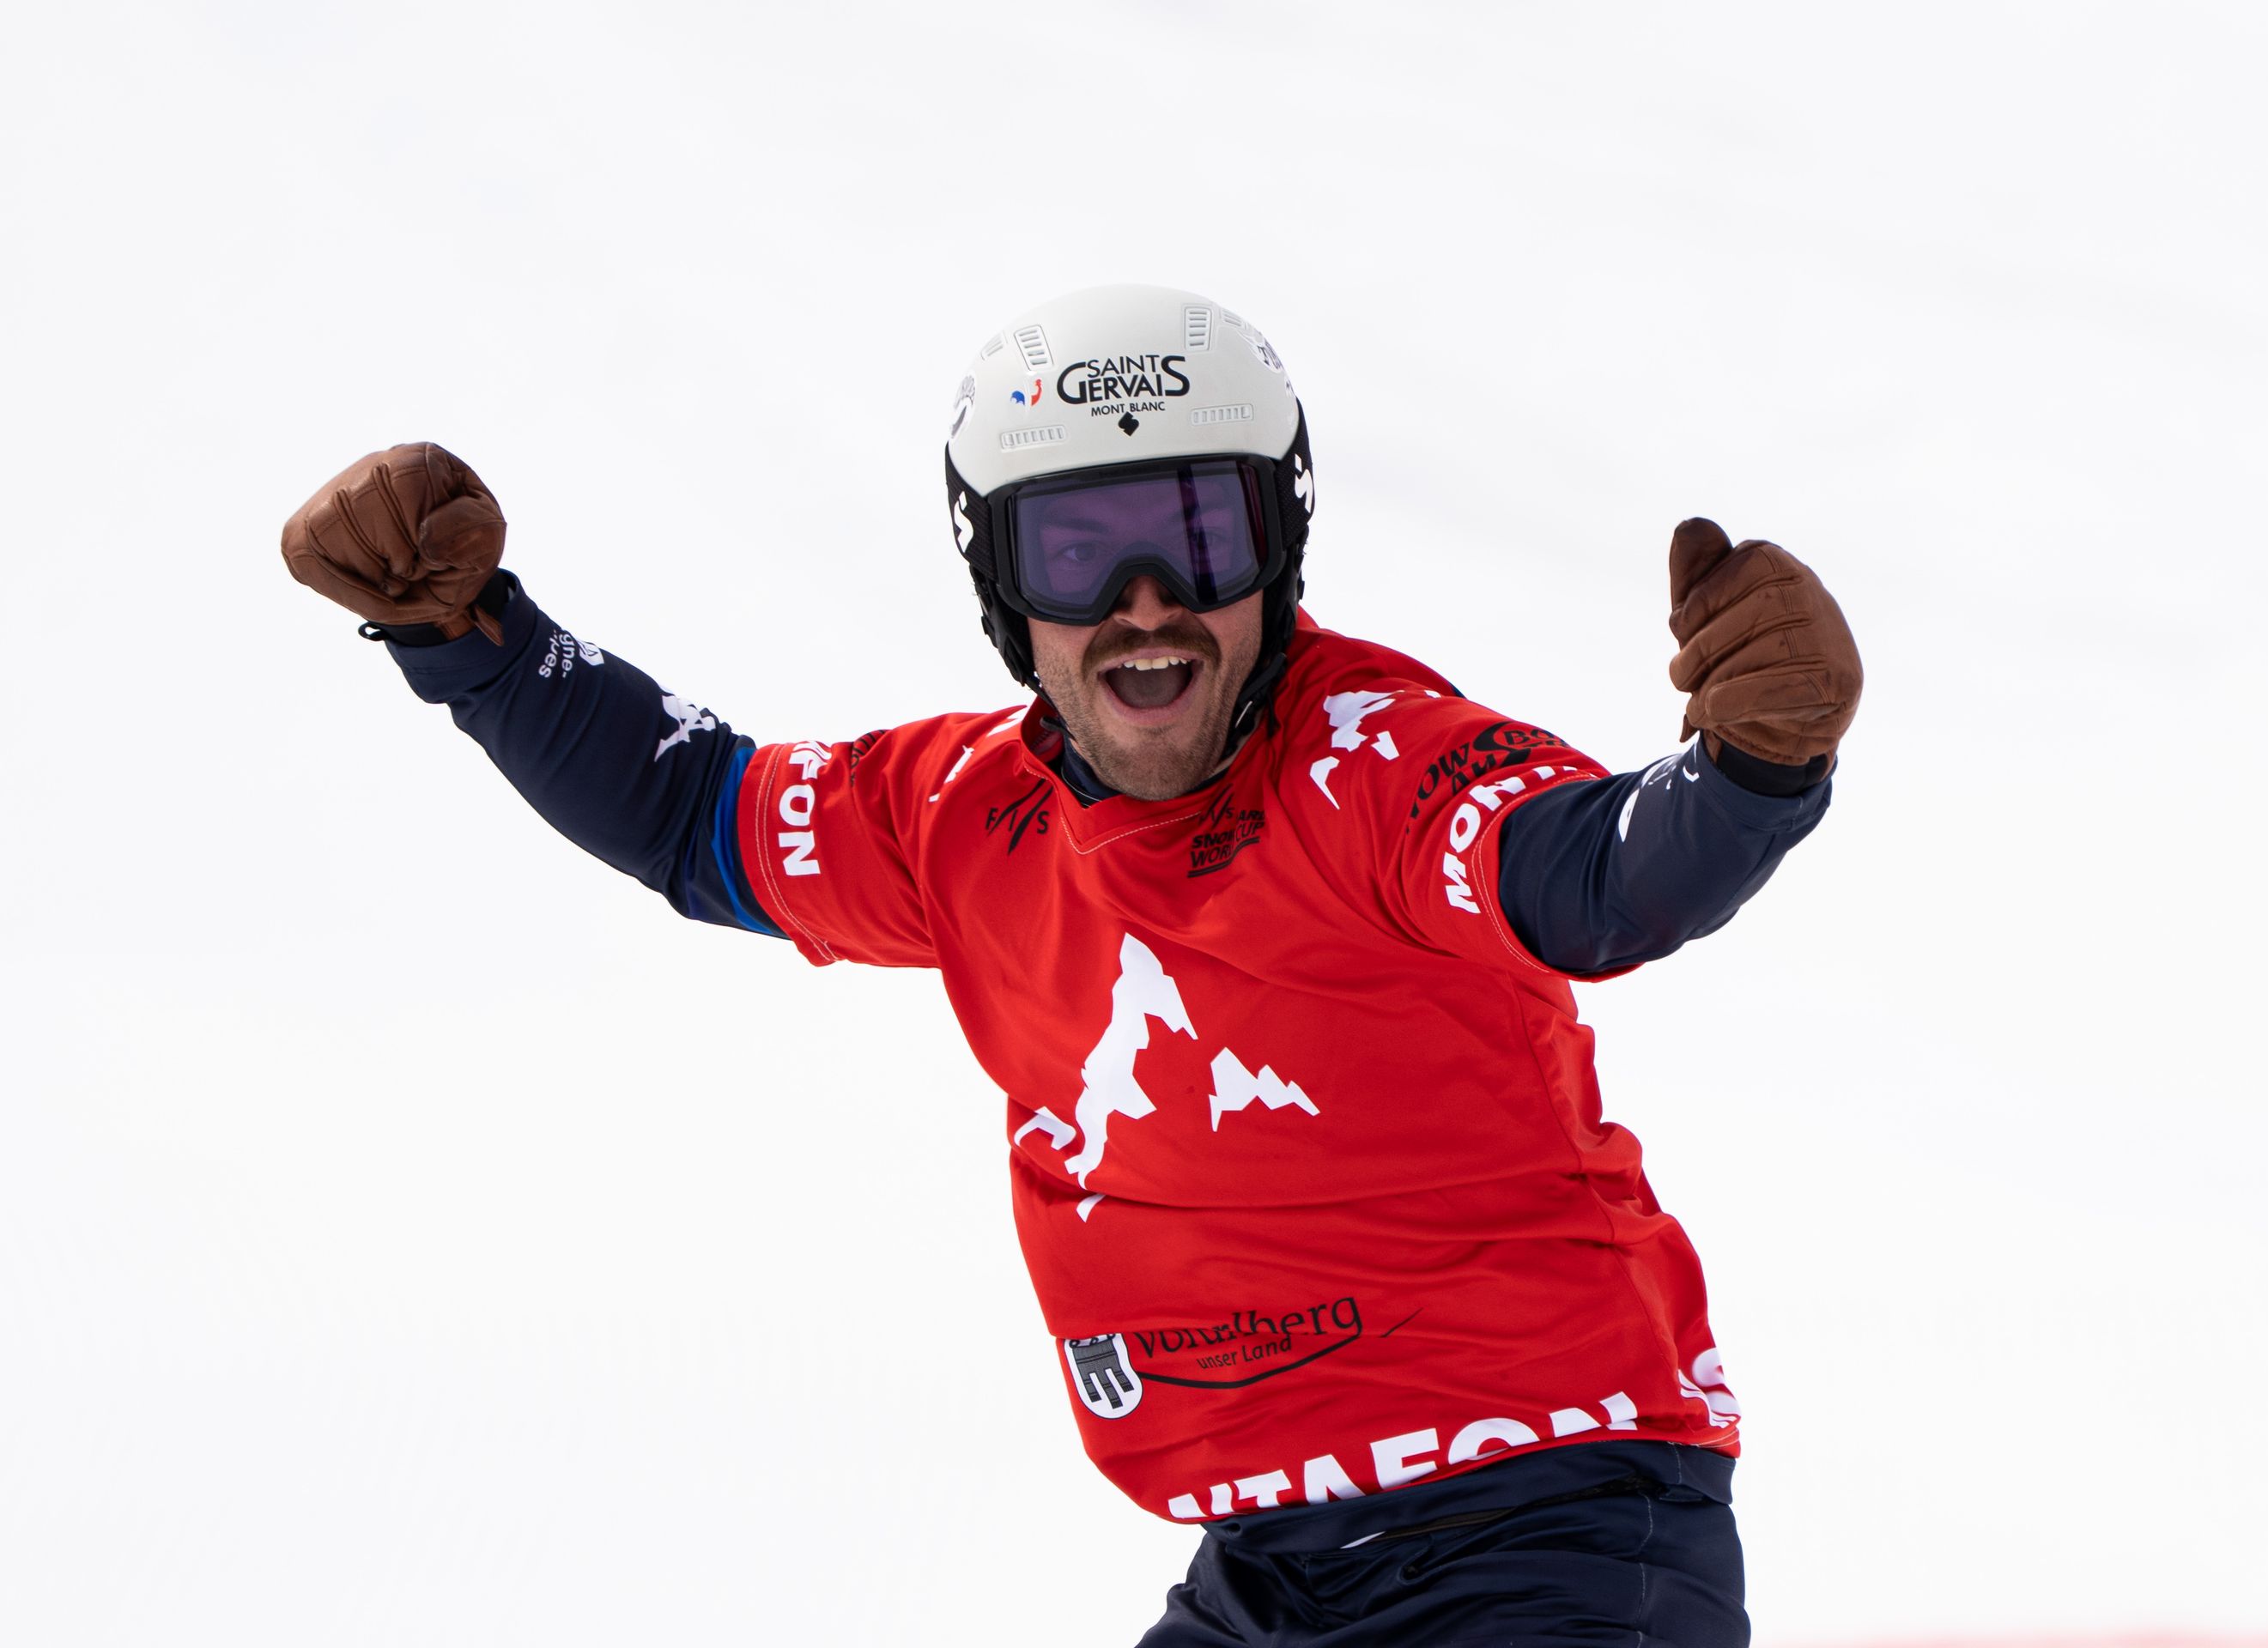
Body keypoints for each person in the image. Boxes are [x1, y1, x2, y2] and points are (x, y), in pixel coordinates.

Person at [280, 282, 1861, 1646]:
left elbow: (1592, 880)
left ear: (1279, 555)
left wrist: (1752, 777)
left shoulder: (1370, 763)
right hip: (1271, 1567)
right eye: (1078, 552)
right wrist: (470, 640)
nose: (1144, 606)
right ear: (998, 583)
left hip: (1550, 1535)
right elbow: (693, 813)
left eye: (1197, 536)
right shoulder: (964, 817)